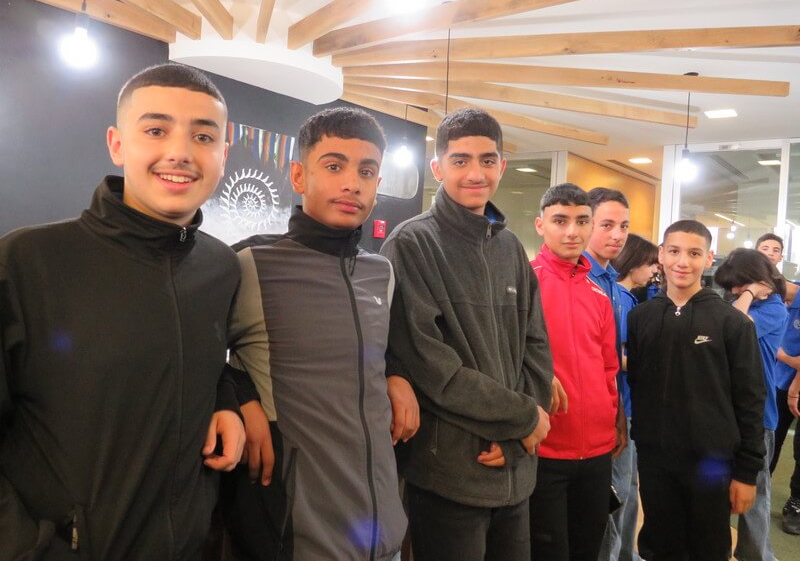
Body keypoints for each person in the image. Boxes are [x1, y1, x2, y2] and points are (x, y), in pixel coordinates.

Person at [0, 63, 247, 559]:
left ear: (223, 154)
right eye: (156, 131)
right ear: (117, 144)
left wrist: (226, 399)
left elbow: (184, 356)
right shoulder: (27, 261)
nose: (180, 152)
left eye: (203, 136)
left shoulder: (220, 267)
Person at [220, 107, 413, 561]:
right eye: (334, 166)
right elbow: (190, 354)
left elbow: (383, 351)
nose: (352, 184)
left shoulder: (381, 272)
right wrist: (238, 397)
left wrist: (398, 373)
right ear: (298, 176)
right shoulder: (249, 264)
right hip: (295, 532)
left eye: (366, 171)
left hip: (383, 532)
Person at [381, 107, 553, 561]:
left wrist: (520, 431)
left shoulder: (511, 248)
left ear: (502, 166)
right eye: (460, 160)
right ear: (438, 168)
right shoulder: (411, 243)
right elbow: (430, 367)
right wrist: (522, 418)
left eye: (487, 159)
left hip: (515, 467)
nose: (475, 173)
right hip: (448, 471)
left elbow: (536, 346)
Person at [627, 220, 766, 561]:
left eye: (694, 253)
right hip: (656, 460)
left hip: (711, 463)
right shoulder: (640, 317)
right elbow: (638, 383)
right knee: (659, 545)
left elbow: (750, 400)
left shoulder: (732, 323)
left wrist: (747, 473)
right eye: (674, 251)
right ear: (661, 255)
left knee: (708, 547)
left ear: (709, 258)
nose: (682, 262)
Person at [528, 183, 619, 561]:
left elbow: (609, 368)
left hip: (597, 451)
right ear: (541, 225)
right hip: (544, 447)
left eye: (582, 221)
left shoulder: (599, 295)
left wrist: (614, 422)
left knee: (587, 550)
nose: (572, 231)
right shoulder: (524, 282)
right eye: (560, 220)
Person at [715, 247, 787, 561]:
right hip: (725, 412)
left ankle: (757, 556)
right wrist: (746, 292)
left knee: (755, 493)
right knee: (717, 490)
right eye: (731, 286)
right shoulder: (739, 302)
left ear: (756, 279)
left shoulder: (774, 308)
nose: (733, 291)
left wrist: (748, 292)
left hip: (759, 415)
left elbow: (735, 325)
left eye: (738, 284)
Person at [583, 188, 639, 561]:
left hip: (619, 409)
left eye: (624, 226)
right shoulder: (580, 279)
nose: (617, 235)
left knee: (622, 496)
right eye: (607, 225)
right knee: (603, 506)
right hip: (590, 417)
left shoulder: (613, 285)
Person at [601, 232, 659, 561]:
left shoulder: (628, 298)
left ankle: (625, 552)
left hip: (630, 406)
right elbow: (614, 356)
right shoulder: (619, 298)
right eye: (651, 264)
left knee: (630, 487)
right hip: (619, 406)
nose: (654, 271)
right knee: (619, 488)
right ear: (635, 262)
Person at [755, 233, 800, 535]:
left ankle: (796, 502)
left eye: (775, 250)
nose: (770, 253)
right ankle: (757, 489)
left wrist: (784, 357)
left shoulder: (787, 292)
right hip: (772, 383)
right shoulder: (755, 297)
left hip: (791, 383)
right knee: (768, 439)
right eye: (764, 248)